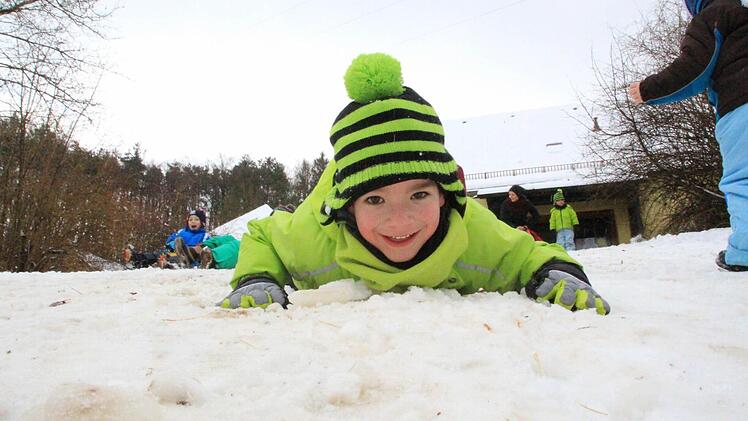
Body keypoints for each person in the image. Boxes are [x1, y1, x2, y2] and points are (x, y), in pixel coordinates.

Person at [218, 53, 610, 315]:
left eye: (419, 194)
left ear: (444, 196)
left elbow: (527, 254)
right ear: (347, 207)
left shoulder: (470, 230)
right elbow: (263, 235)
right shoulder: (314, 239)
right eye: (374, 200)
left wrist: (559, 272)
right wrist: (258, 278)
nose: (400, 219)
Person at [628, 0, 748, 271]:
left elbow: (695, 67)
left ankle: (745, 250)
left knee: (743, 180)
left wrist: (648, 89)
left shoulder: (717, 14)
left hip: (741, 105)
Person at [123, 209, 210, 269]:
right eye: (190, 220)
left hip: (189, 256)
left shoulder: (205, 235)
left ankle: (169, 265)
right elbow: (170, 240)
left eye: (196, 219)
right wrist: (173, 246)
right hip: (174, 252)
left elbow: (205, 247)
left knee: (177, 257)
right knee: (158, 255)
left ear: (202, 223)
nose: (193, 221)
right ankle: (134, 259)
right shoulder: (181, 232)